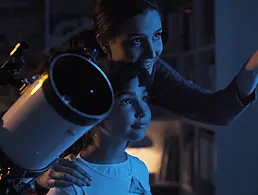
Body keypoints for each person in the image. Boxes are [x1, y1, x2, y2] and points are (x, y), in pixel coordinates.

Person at [36, 0, 258, 190]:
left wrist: (254, 65)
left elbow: (216, 111)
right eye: (136, 41)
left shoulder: (148, 66)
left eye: (157, 36)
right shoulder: (68, 72)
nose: (152, 52)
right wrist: (39, 174)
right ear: (105, 43)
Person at [44, 61, 153, 195]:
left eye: (144, 98)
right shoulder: (72, 181)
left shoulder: (139, 168)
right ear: (96, 112)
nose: (143, 111)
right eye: (127, 101)